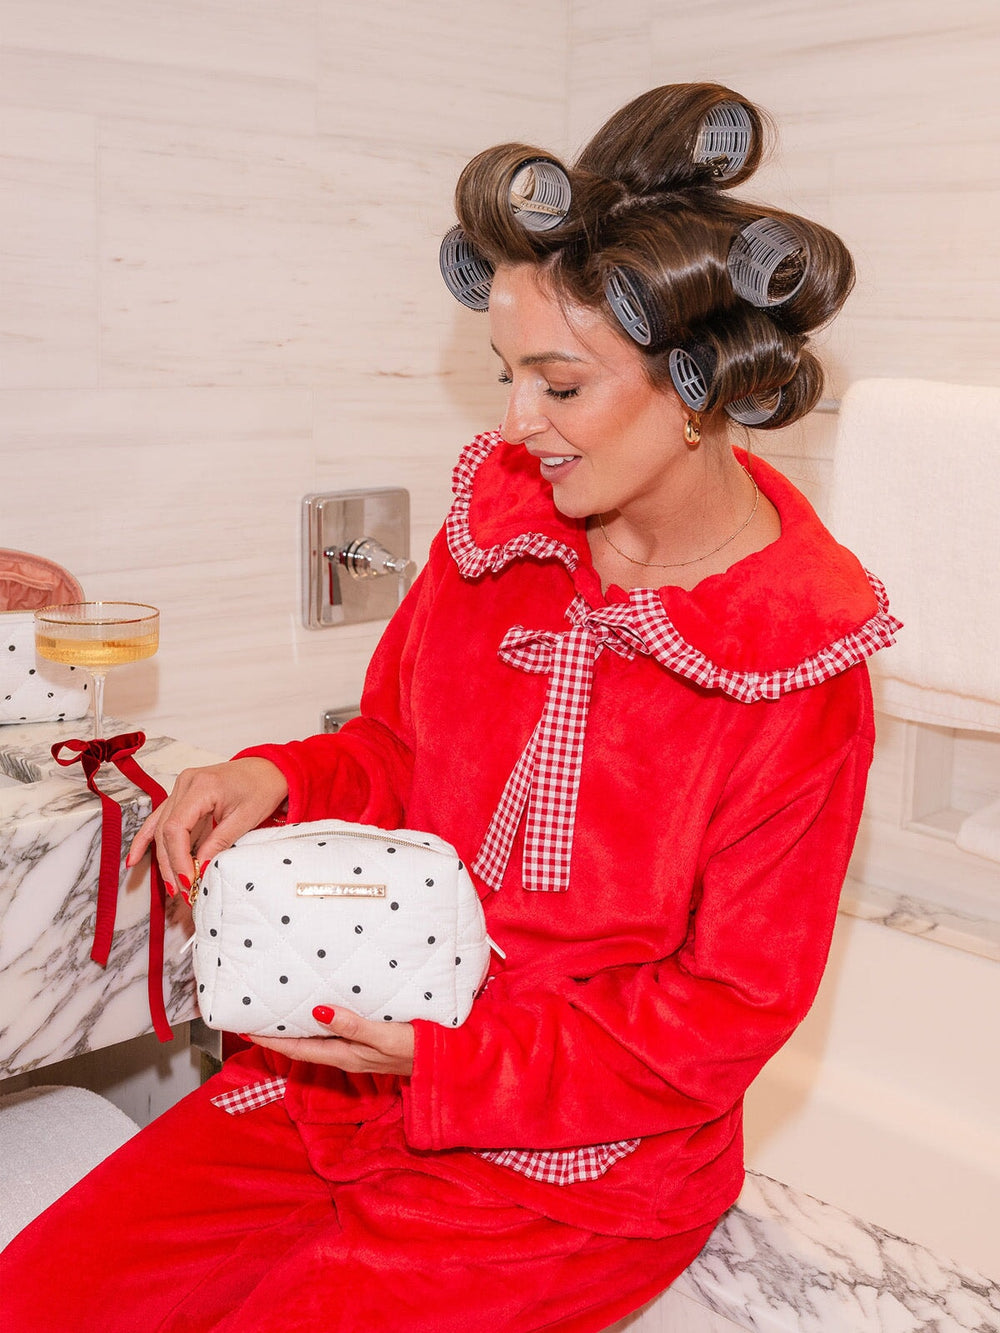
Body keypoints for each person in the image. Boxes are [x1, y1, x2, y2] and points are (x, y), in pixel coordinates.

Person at [0, 83, 899, 1332]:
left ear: (695, 388)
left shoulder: (792, 656)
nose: (518, 424)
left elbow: (724, 1011)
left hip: (567, 1176)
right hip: (339, 1091)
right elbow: (393, 747)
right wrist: (280, 776)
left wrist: (455, 1060)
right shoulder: (502, 532)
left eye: (559, 386)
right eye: (505, 375)